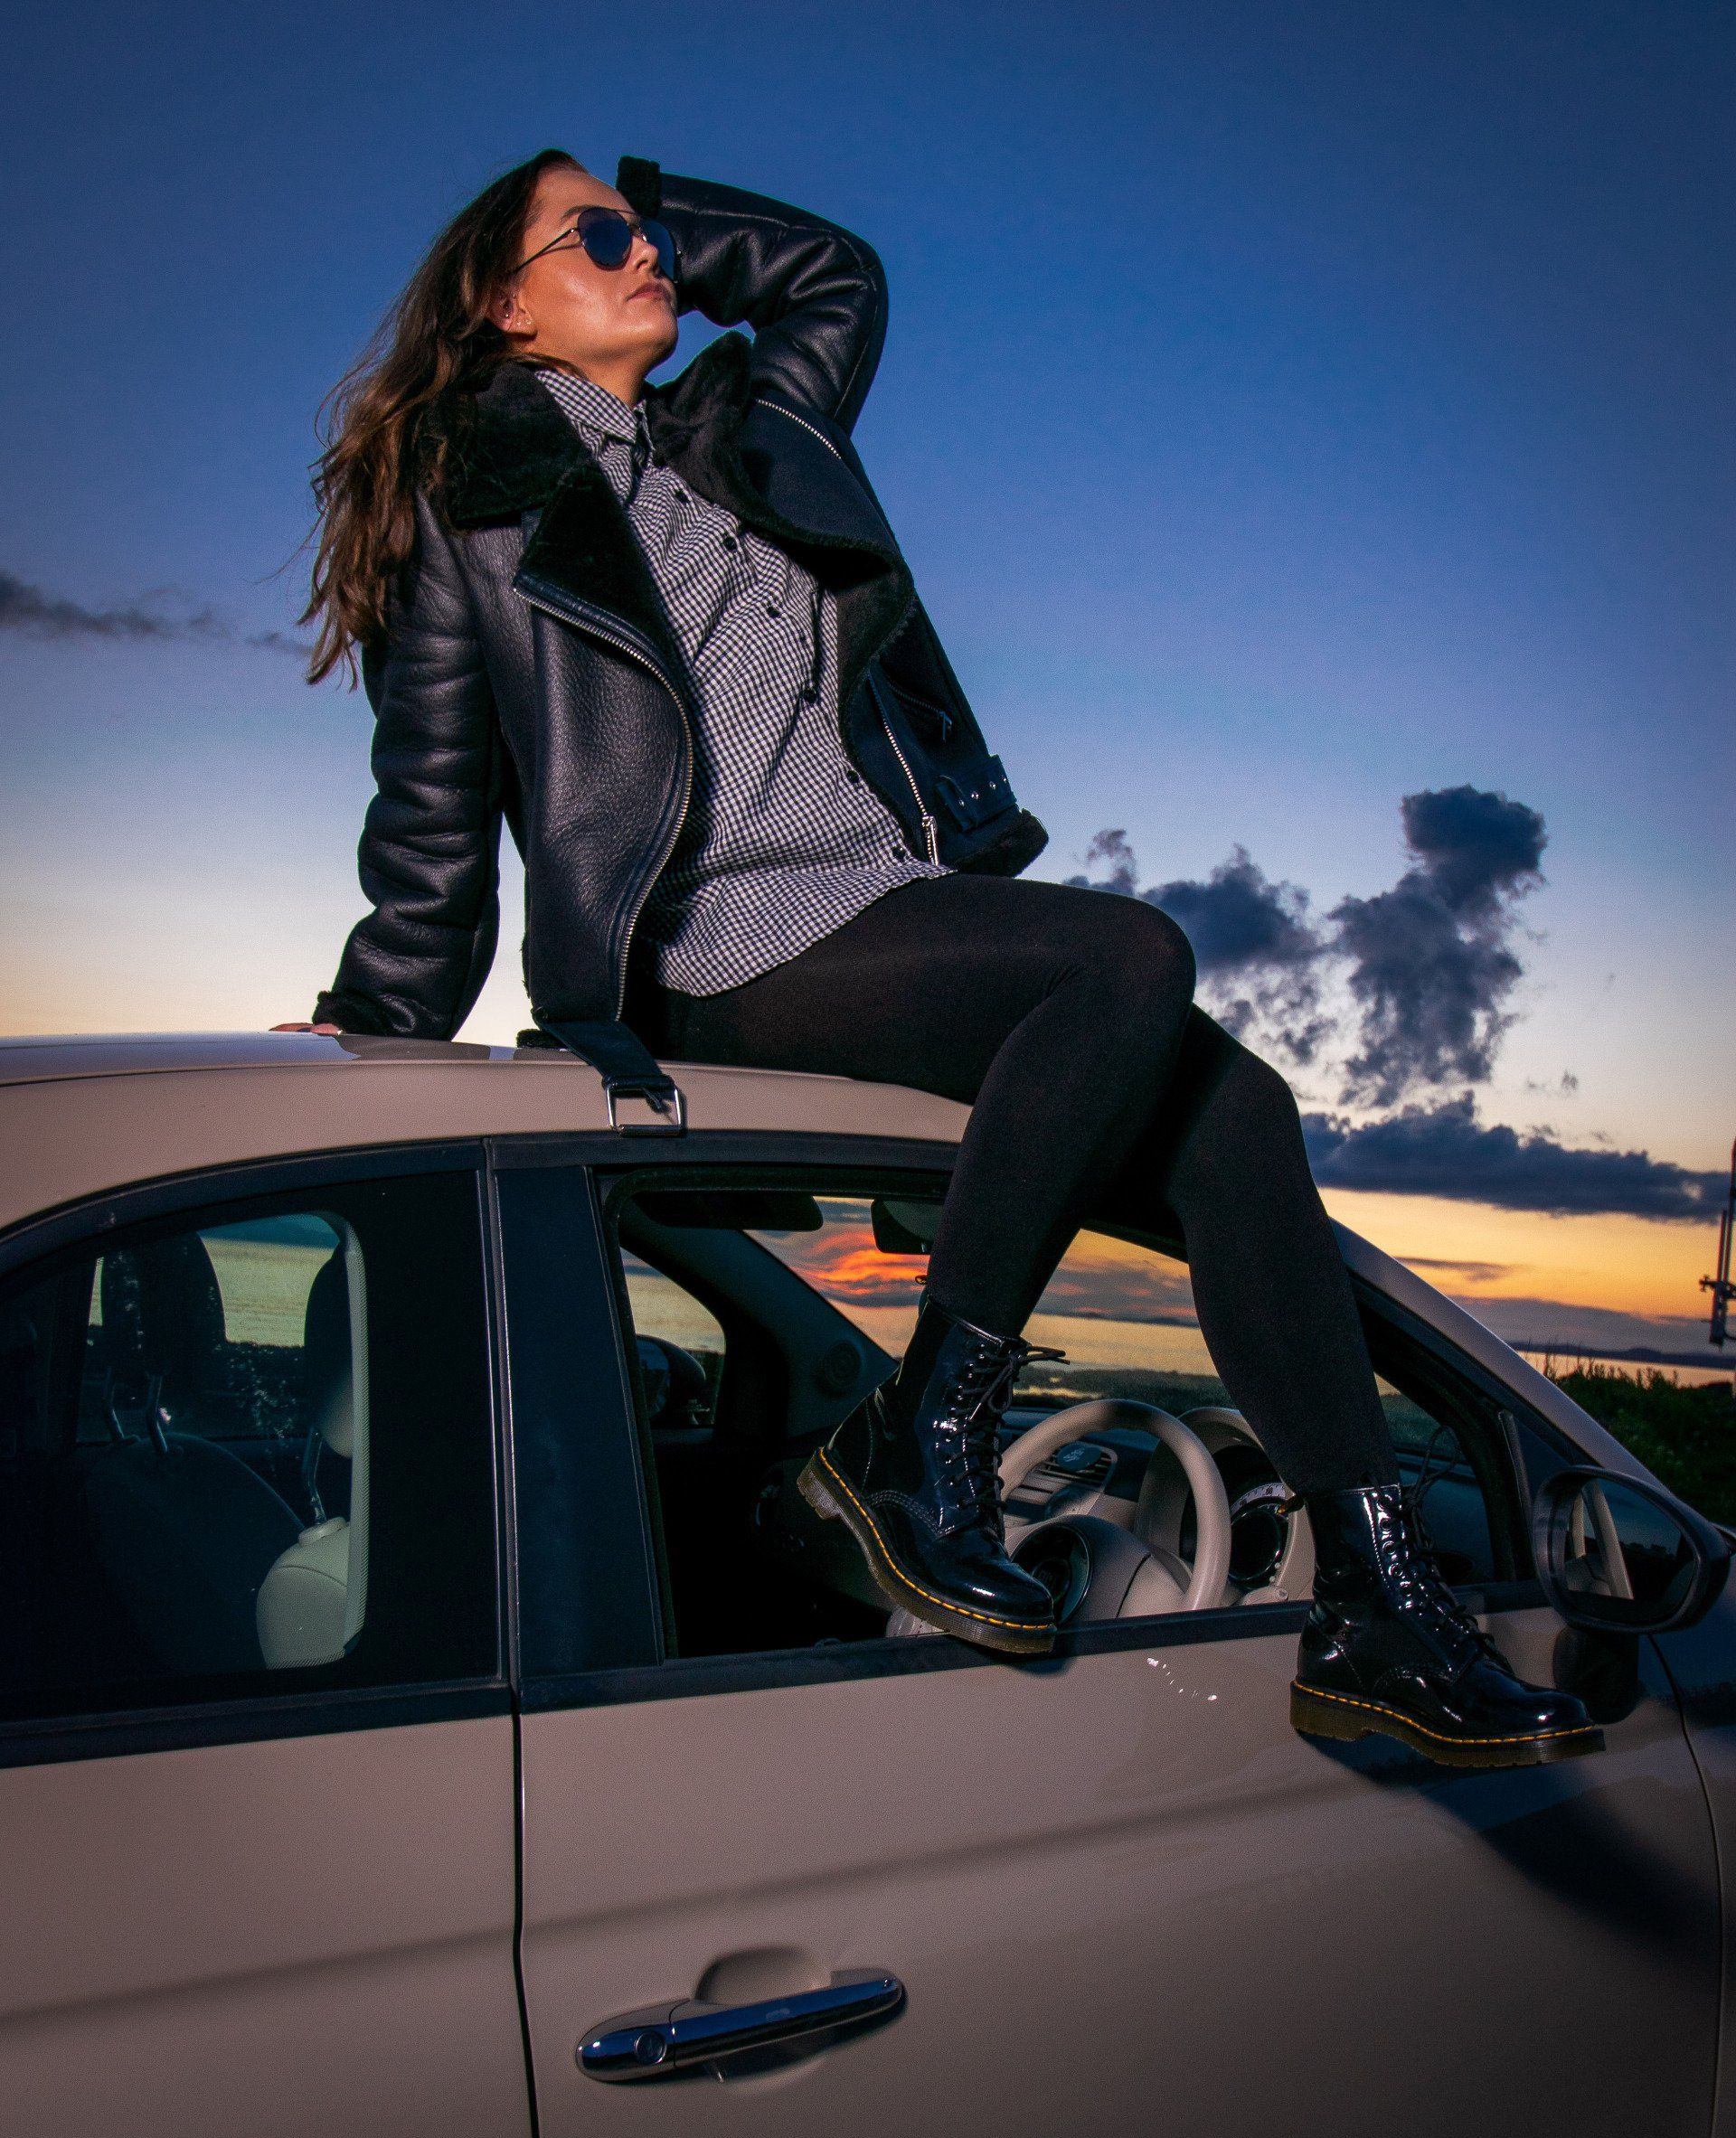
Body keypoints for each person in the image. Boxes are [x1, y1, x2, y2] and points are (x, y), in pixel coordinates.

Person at [279, 147, 1599, 1770]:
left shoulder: (749, 428)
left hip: (879, 907)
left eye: (645, 236)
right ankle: (923, 1440)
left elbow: (837, 275)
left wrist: (661, 213)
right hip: (712, 945)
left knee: (1240, 1113)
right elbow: (431, 804)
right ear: (503, 301)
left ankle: (1380, 1603)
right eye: (598, 237)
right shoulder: (472, 505)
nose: (643, 257)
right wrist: (377, 1016)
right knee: (1127, 957)